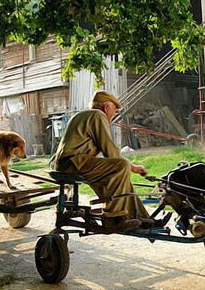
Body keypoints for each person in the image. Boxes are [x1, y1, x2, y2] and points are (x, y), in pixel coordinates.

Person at [52, 90, 152, 230]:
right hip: (72, 162)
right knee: (121, 166)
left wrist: (129, 167)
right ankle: (112, 219)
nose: (114, 114)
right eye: (114, 110)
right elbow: (109, 149)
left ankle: (143, 218)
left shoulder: (86, 115)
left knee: (122, 175)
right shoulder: (97, 115)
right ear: (106, 107)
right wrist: (132, 167)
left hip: (72, 162)